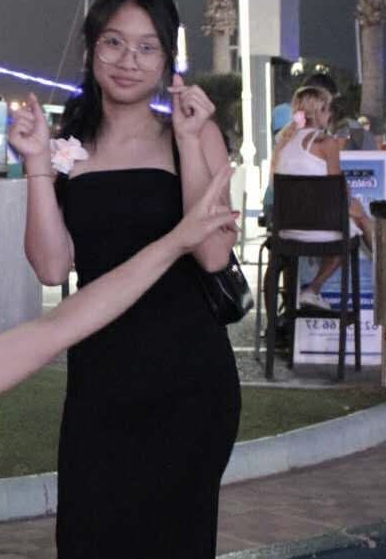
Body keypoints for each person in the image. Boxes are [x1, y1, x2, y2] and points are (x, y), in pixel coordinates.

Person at [10, 0, 241, 559]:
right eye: (114, 42)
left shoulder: (188, 133)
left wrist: (200, 140)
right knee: (89, 550)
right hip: (101, 375)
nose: (128, 60)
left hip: (188, 378)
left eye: (147, 46)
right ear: (92, 46)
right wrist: (37, 166)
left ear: (169, 57)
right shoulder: (67, 146)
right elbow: (50, 265)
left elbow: (212, 255)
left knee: (174, 548)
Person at [0, 166, 237, 393]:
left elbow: (54, 330)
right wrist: (175, 243)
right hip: (100, 368)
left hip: (189, 361)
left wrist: (175, 243)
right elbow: (53, 328)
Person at [271, 84, 372, 312]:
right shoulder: (326, 143)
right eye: (329, 110)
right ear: (321, 111)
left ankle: (306, 294)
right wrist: (351, 203)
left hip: (286, 231)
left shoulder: (284, 142)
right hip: (319, 229)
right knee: (357, 220)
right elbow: (337, 191)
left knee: (355, 216)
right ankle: (313, 289)